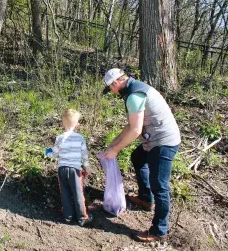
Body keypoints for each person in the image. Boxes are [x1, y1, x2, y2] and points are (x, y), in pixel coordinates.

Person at [102, 68, 181, 242]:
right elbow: (130, 126)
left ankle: (159, 231)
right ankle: (145, 199)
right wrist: (114, 143)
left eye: (111, 89)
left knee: (159, 185)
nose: (112, 93)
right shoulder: (134, 89)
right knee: (137, 158)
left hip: (163, 142)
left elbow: (136, 130)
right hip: (155, 139)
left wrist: (116, 150)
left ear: (116, 83)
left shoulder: (134, 95)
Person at [46, 109, 93, 226]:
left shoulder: (59, 138)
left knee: (65, 192)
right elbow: (84, 154)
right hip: (75, 170)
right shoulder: (80, 138)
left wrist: (47, 151)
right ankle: (82, 217)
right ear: (77, 125)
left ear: (62, 124)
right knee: (78, 193)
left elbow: (54, 153)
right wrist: (87, 167)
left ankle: (68, 216)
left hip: (62, 169)